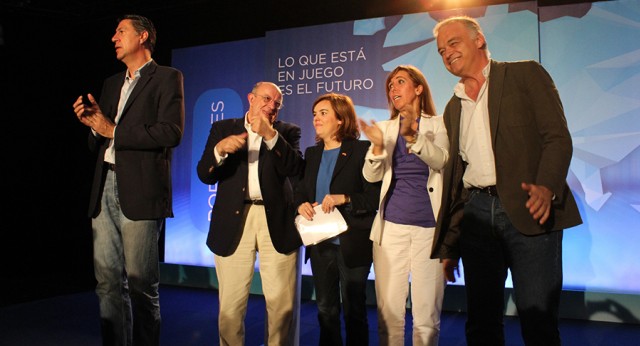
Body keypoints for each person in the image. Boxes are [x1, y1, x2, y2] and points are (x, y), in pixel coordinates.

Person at [431, 15, 583, 346]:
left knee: (538, 323)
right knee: (481, 324)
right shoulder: (452, 107)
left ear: (479, 39)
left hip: (529, 210)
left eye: (453, 43)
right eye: (441, 50)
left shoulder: (524, 74)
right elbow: (457, 182)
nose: (447, 53)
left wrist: (546, 185)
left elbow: (557, 137)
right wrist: (450, 244)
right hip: (476, 217)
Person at [72, 14, 185, 346]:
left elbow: (171, 132)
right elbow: (100, 139)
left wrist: (113, 130)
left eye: (121, 32)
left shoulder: (166, 77)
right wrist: (93, 124)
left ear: (143, 36)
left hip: (141, 190)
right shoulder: (111, 83)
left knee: (140, 286)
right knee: (107, 283)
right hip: (104, 185)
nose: (113, 38)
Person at [196, 81, 304, 346]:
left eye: (276, 104)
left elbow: (295, 168)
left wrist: (270, 136)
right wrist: (219, 150)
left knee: (281, 307)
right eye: (266, 100)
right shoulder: (223, 128)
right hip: (234, 219)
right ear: (251, 99)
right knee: (231, 307)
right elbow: (204, 174)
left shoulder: (288, 132)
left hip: (275, 222)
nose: (271, 107)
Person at [358, 65, 449, 345]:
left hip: (429, 233)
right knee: (389, 317)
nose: (393, 89)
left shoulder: (439, 124)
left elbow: (442, 161)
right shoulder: (384, 129)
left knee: (427, 320)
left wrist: (413, 137)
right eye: (390, 86)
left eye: (400, 82)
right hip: (391, 231)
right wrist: (375, 149)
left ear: (418, 88)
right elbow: (370, 176)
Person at [294, 93, 381, 346]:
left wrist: (345, 198)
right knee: (325, 311)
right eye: (314, 114)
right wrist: (300, 205)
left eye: (323, 113)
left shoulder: (362, 150)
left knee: (354, 312)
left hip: (352, 243)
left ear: (341, 119)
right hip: (320, 244)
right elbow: (301, 190)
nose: (316, 119)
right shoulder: (311, 153)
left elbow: (373, 197)